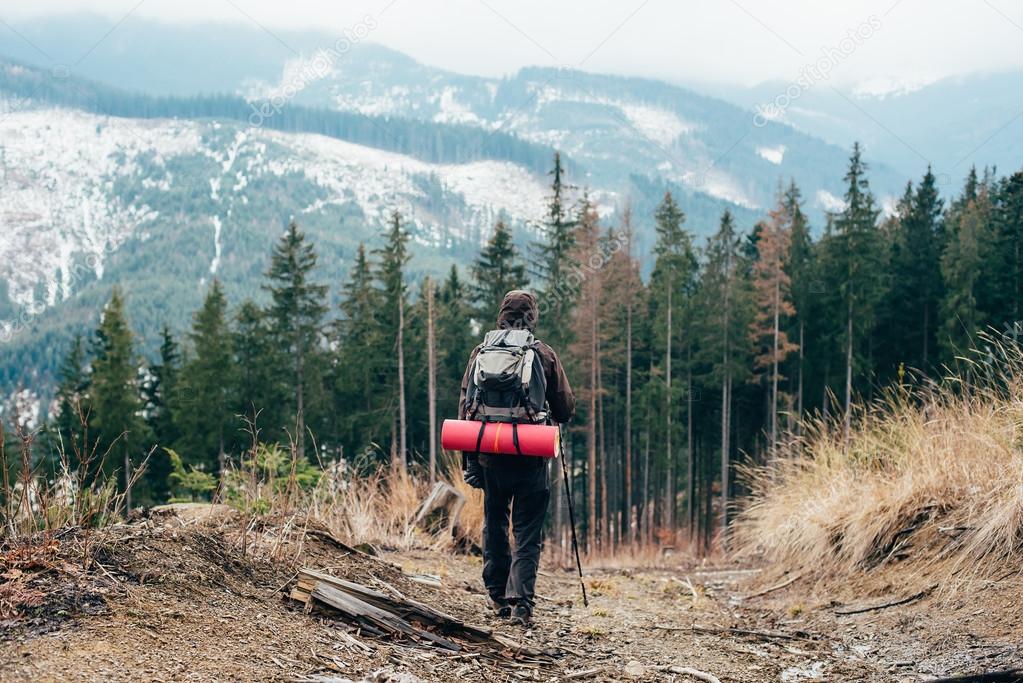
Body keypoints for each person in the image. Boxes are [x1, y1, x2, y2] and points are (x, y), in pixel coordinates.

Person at [458, 290, 575, 627]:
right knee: (527, 532)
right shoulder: (543, 354)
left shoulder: (481, 352)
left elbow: (465, 408)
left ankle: (497, 594)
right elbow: (565, 407)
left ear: (501, 315)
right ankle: (521, 604)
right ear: (532, 317)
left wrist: (472, 461)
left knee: (494, 521)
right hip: (531, 457)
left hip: (490, 456)